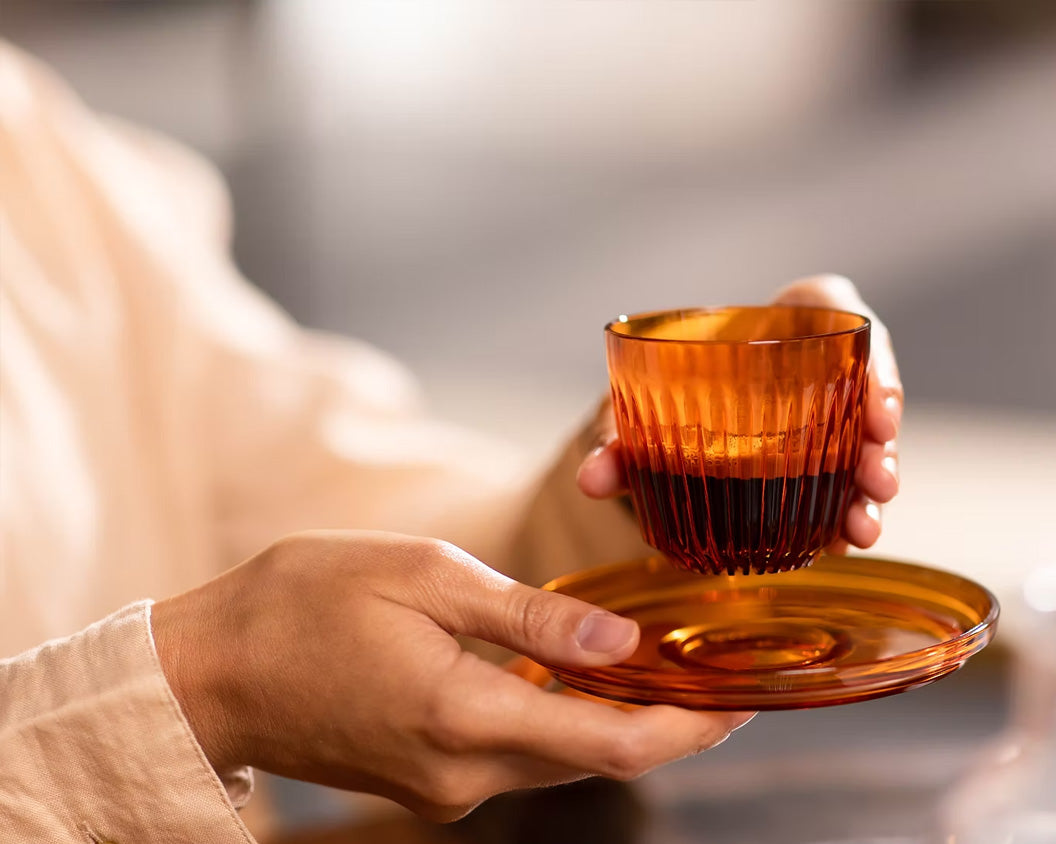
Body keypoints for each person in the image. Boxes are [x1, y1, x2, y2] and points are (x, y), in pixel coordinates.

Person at [0, 41, 903, 843]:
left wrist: (653, 498)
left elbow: (328, 492)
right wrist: (192, 694)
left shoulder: (29, 142)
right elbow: (268, 630)